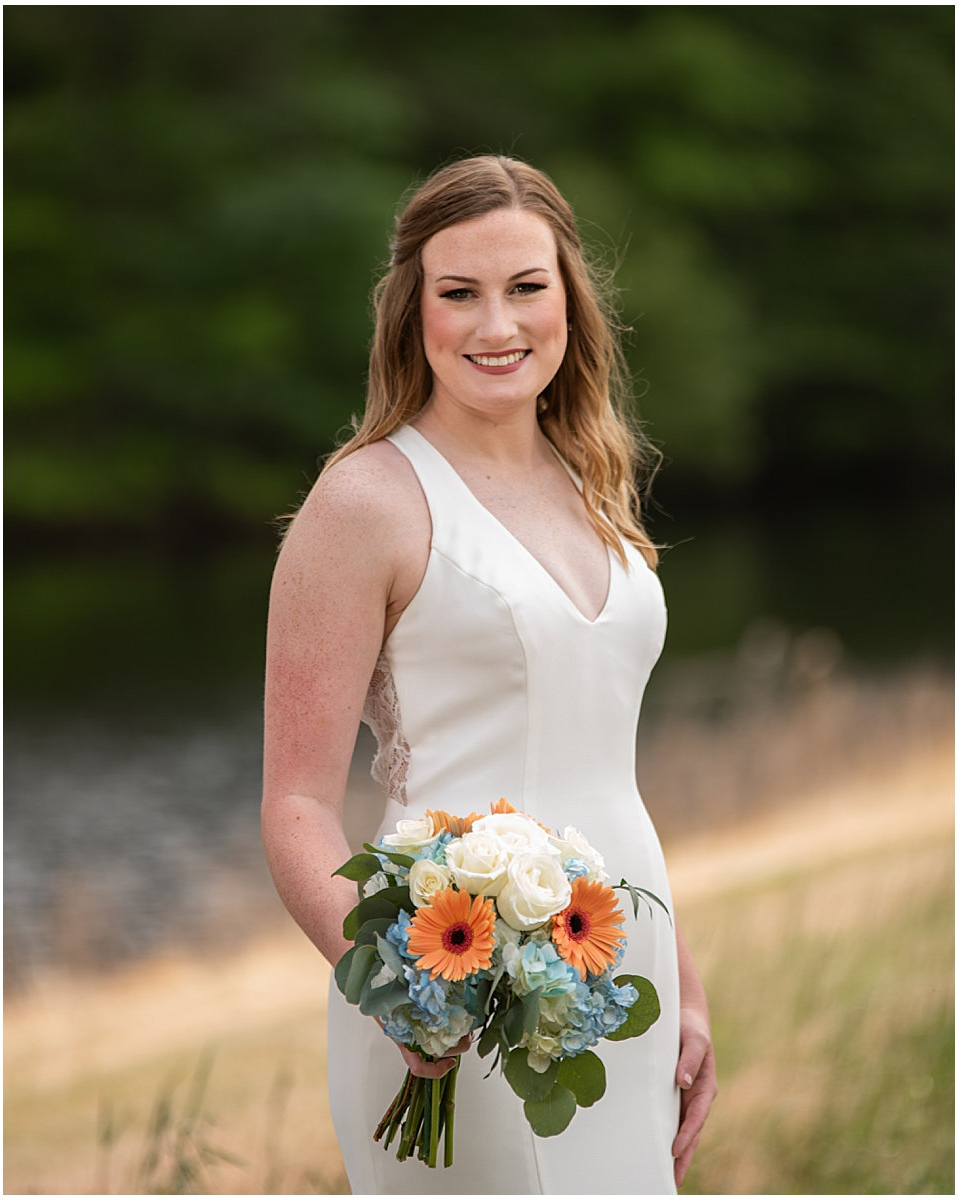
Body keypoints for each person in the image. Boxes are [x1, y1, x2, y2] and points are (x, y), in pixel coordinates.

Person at [261, 154, 716, 1195]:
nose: (493, 325)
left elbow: (606, 778)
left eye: (524, 288)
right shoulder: (366, 502)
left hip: (613, 979)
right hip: (454, 995)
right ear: (409, 313)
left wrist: (682, 988)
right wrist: (393, 988)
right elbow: (293, 801)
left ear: (569, 299)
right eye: (457, 293)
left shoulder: (587, 477)